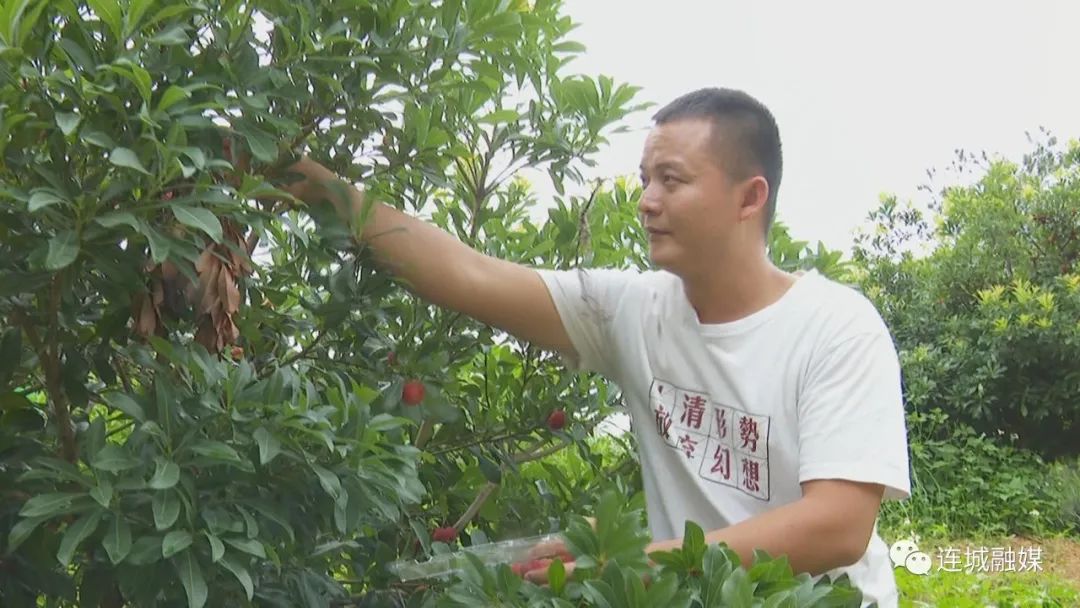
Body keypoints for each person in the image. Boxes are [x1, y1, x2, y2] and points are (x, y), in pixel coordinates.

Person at [279, 87, 911, 607]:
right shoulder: (633, 311)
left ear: (750, 197)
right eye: (645, 179)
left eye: (672, 179)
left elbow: (837, 526)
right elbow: (466, 274)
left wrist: (630, 562)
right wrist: (314, 186)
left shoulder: (836, 329)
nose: (647, 202)